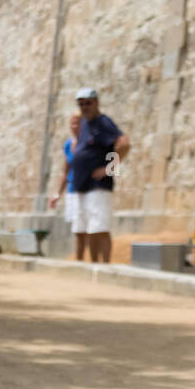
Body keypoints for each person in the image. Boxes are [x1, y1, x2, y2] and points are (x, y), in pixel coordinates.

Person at [69, 87, 129, 263]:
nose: (84, 107)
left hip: (98, 185)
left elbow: (124, 144)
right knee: (87, 228)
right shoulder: (86, 123)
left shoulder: (103, 122)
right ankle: (93, 264)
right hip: (82, 184)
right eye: (81, 104)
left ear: (96, 103)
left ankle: (105, 265)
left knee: (100, 227)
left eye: (87, 103)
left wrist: (109, 168)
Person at [48, 113, 86, 260]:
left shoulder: (90, 143)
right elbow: (66, 171)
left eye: (78, 123)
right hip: (72, 189)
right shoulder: (68, 145)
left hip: (87, 189)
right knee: (78, 228)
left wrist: (109, 174)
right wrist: (57, 194)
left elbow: (113, 153)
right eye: (72, 123)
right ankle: (80, 260)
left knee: (89, 228)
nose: (75, 127)